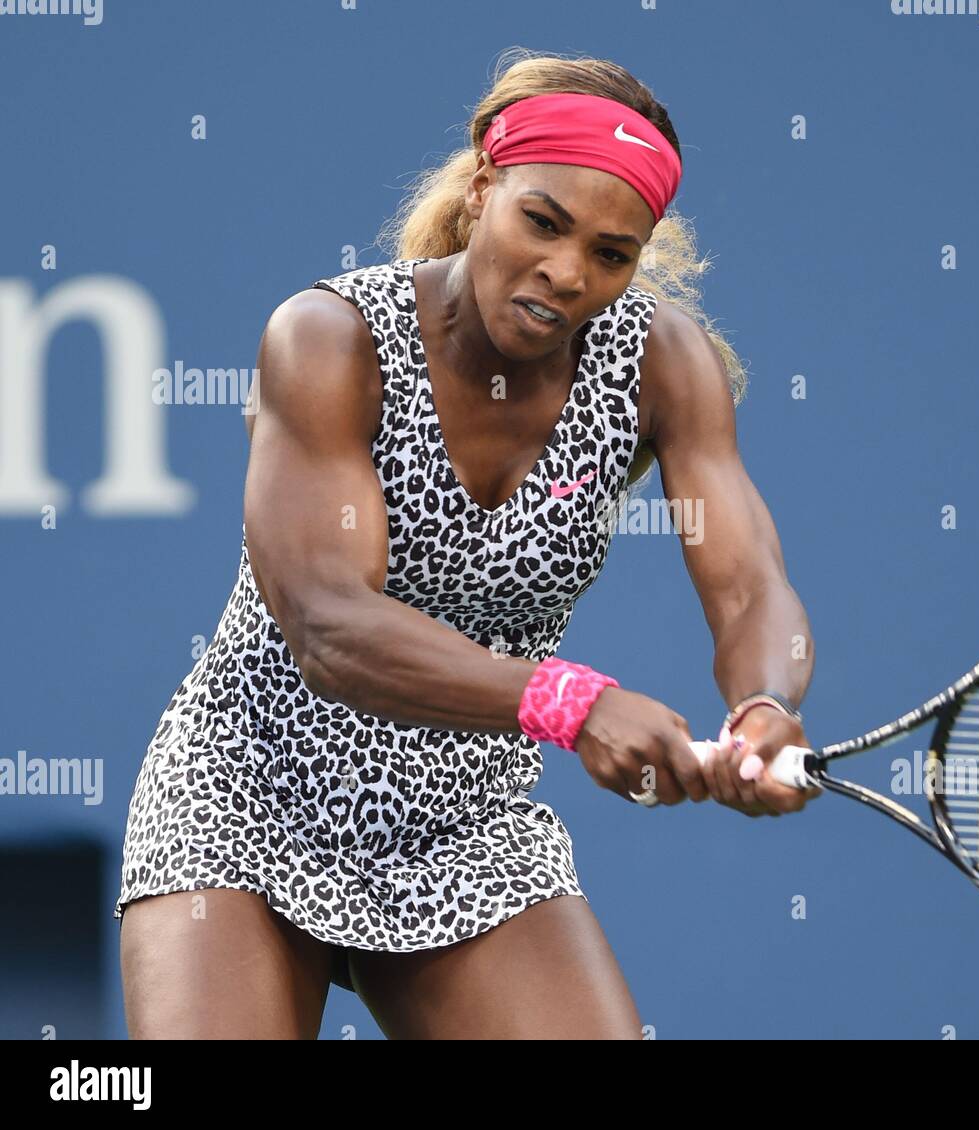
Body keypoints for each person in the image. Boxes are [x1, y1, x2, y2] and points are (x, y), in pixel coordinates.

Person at [115, 50, 819, 1040]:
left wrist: (761, 704)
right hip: (246, 795)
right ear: (485, 183)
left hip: (465, 822)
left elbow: (751, 588)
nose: (567, 274)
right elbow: (328, 623)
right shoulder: (328, 337)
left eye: (612, 255)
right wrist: (568, 701)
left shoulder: (664, 361)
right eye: (543, 221)